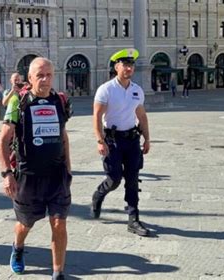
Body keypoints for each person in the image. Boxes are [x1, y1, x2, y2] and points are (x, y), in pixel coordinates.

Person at [0, 57, 72, 280]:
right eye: (40, 75)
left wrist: (68, 169)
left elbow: (64, 136)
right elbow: (2, 140)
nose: (45, 79)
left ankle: (58, 272)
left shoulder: (60, 100)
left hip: (57, 176)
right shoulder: (18, 103)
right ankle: (18, 248)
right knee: (25, 223)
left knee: (59, 223)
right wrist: (7, 174)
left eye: (49, 75)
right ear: (29, 78)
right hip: (28, 176)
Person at [91, 48, 151, 237]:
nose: (129, 68)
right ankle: (98, 195)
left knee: (132, 180)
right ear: (116, 67)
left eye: (131, 65)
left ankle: (133, 218)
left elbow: (141, 115)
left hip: (132, 140)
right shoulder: (106, 89)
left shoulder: (136, 90)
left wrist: (147, 138)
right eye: (125, 65)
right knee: (114, 178)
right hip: (112, 141)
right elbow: (97, 116)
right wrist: (100, 141)